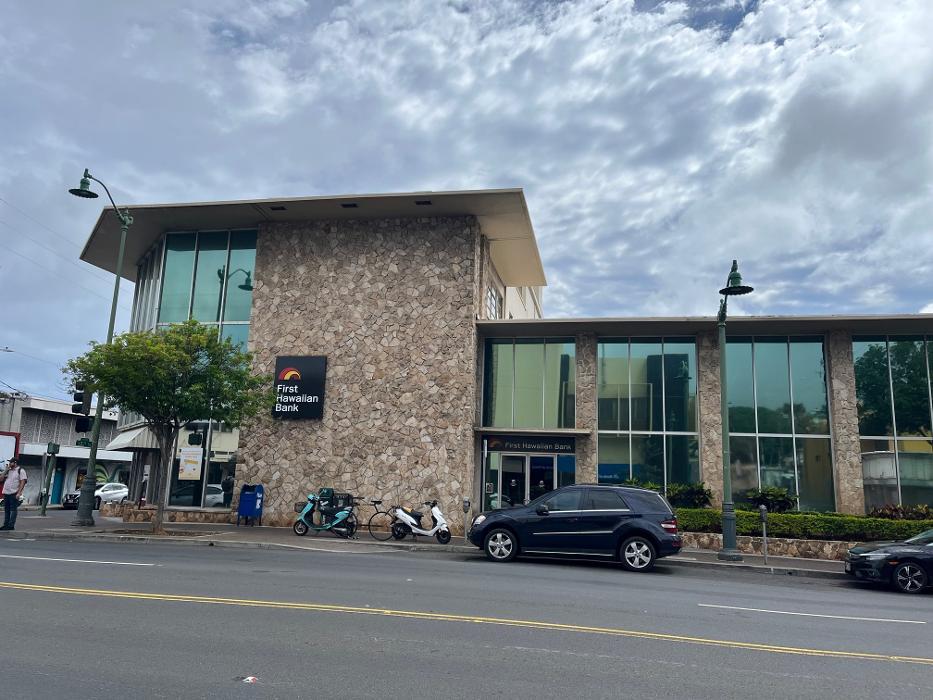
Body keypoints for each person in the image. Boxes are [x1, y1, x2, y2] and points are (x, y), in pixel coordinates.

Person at [1, 458, 27, 531]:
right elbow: (1, 479)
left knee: (13, 510)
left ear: (15, 463)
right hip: (6, 493)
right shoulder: (8, 471)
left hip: (14, 493)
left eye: (11, 462)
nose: (9, 464)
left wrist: (19, 493)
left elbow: (23, 481)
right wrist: (6, 470)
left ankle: (11, 525)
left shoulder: (21, 471)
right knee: (7, 510)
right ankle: (5, 525)